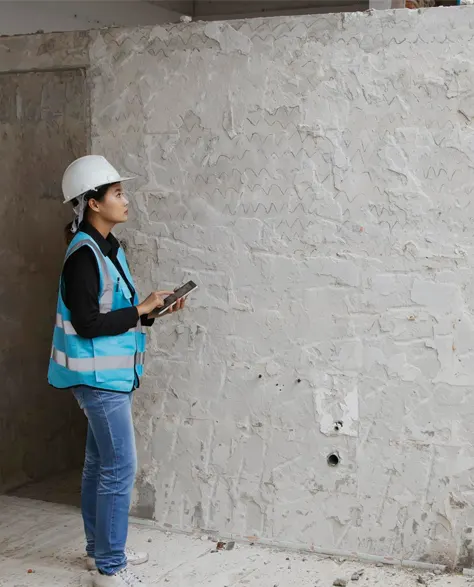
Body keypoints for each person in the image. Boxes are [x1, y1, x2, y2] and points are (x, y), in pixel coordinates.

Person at [48, 155, 185, 587]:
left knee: (99, 464)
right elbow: (87, 323)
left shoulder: (108, 247)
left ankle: (98, 552)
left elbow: (115, 313)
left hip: (111, 376)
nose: (126, 200)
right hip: (97, 379)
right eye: (118, 194)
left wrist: (149, 311)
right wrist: (139, 309)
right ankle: (110, 567)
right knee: (119, 467)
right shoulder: (82, 257)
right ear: (93, 203)